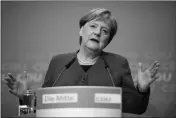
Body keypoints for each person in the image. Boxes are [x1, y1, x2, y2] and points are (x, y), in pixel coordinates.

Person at [5, 8, 160, 114]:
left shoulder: (118, 63)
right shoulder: (58, 62)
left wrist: (142, 89)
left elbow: (135, 110)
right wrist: (24, 97)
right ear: (81, 30)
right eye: (93, 26)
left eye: (105, 31)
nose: (98, 32)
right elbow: (41, 109)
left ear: (108, 40)